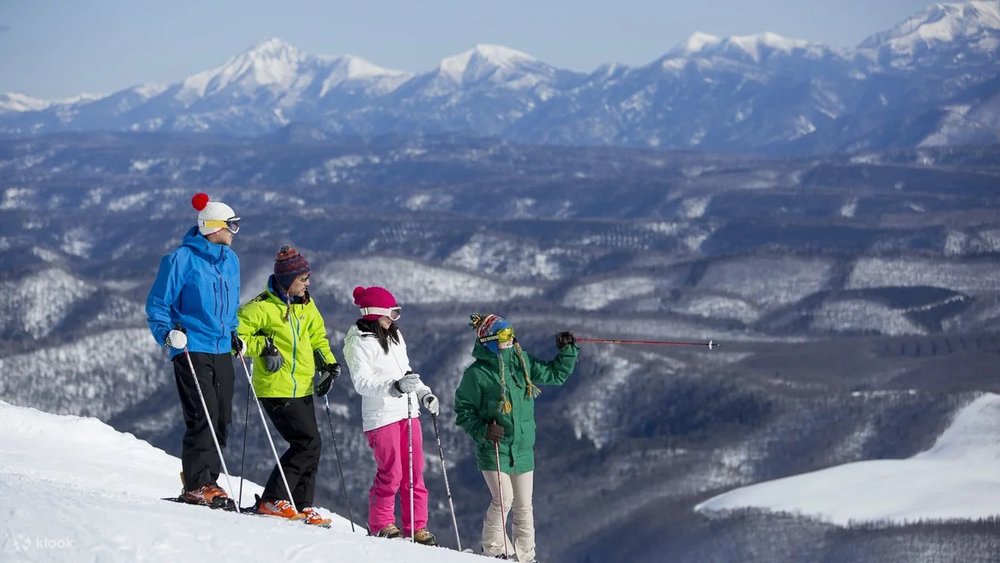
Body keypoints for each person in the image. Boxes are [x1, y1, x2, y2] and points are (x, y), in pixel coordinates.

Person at [454, 314, 579, 562]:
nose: (510, 338)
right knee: (504, 499)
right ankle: (494, 549)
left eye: (511, 332)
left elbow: (555, 374)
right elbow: (463, 410)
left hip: (522, 448)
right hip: (494, 447)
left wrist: (567, 351)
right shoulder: (477, 374)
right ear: (489, 340)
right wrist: (483, 431)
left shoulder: (522, 363)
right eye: (504, 334)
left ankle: (525, 555)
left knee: (523, 505)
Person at [145, 192, 242, 505]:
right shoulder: (180, 260)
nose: (235, 231)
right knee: (203, 414)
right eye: (232, 225)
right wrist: (167, 334)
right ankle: (198, 484)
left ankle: (209, 482)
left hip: (222, 347)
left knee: (222, 418)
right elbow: (158, 304)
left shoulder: (231, 261)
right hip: (191, 345)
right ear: (214, 226)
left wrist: (234, 333)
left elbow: (231, 304)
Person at [236, 245, 340, 526]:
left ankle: (302, 504)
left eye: (308, 277)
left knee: (313, 445)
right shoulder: (261, 307)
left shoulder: (306, 304)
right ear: (287, 279)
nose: (308, 283)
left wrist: (328, 365)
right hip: (276, 387)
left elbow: (317, 337)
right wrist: (264, 346)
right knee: (305, 443)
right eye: (302, 278)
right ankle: (273, 498)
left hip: (302, 386)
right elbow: (236, 339)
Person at [342, 285, 440, 545]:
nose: (395, 318)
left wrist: (424, 393)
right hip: (381, 415)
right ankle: (382, 523)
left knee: (414, 472)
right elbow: (362, 383)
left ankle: (416, 526)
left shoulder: (395, 336)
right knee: (392, 473)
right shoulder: (359, 342)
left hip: (408, 412)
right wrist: (393, 387)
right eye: (392, 313)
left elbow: (406, 372)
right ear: (376, 313)